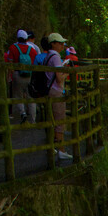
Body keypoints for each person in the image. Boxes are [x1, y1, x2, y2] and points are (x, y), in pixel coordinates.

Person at [44, 32, 73, 163]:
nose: (62, 46)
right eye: (60, 43)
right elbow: (59, 78)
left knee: (53, 120)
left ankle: (54, 147)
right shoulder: (55, 57)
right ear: (53, 44)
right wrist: (67, 70)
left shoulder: (48, 55)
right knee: (60, 120)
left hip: (49, 91)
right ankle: (61, 150)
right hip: (56, 91)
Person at [4, 29, 36, 124]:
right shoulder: (32, 50)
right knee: (30, 96)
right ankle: (33, 119)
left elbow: (10, 63)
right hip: (29, 75)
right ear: (26, 38)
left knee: (18, 96)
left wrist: (9, 75)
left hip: (17, 74)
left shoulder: (13, 48)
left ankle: (23, 113)